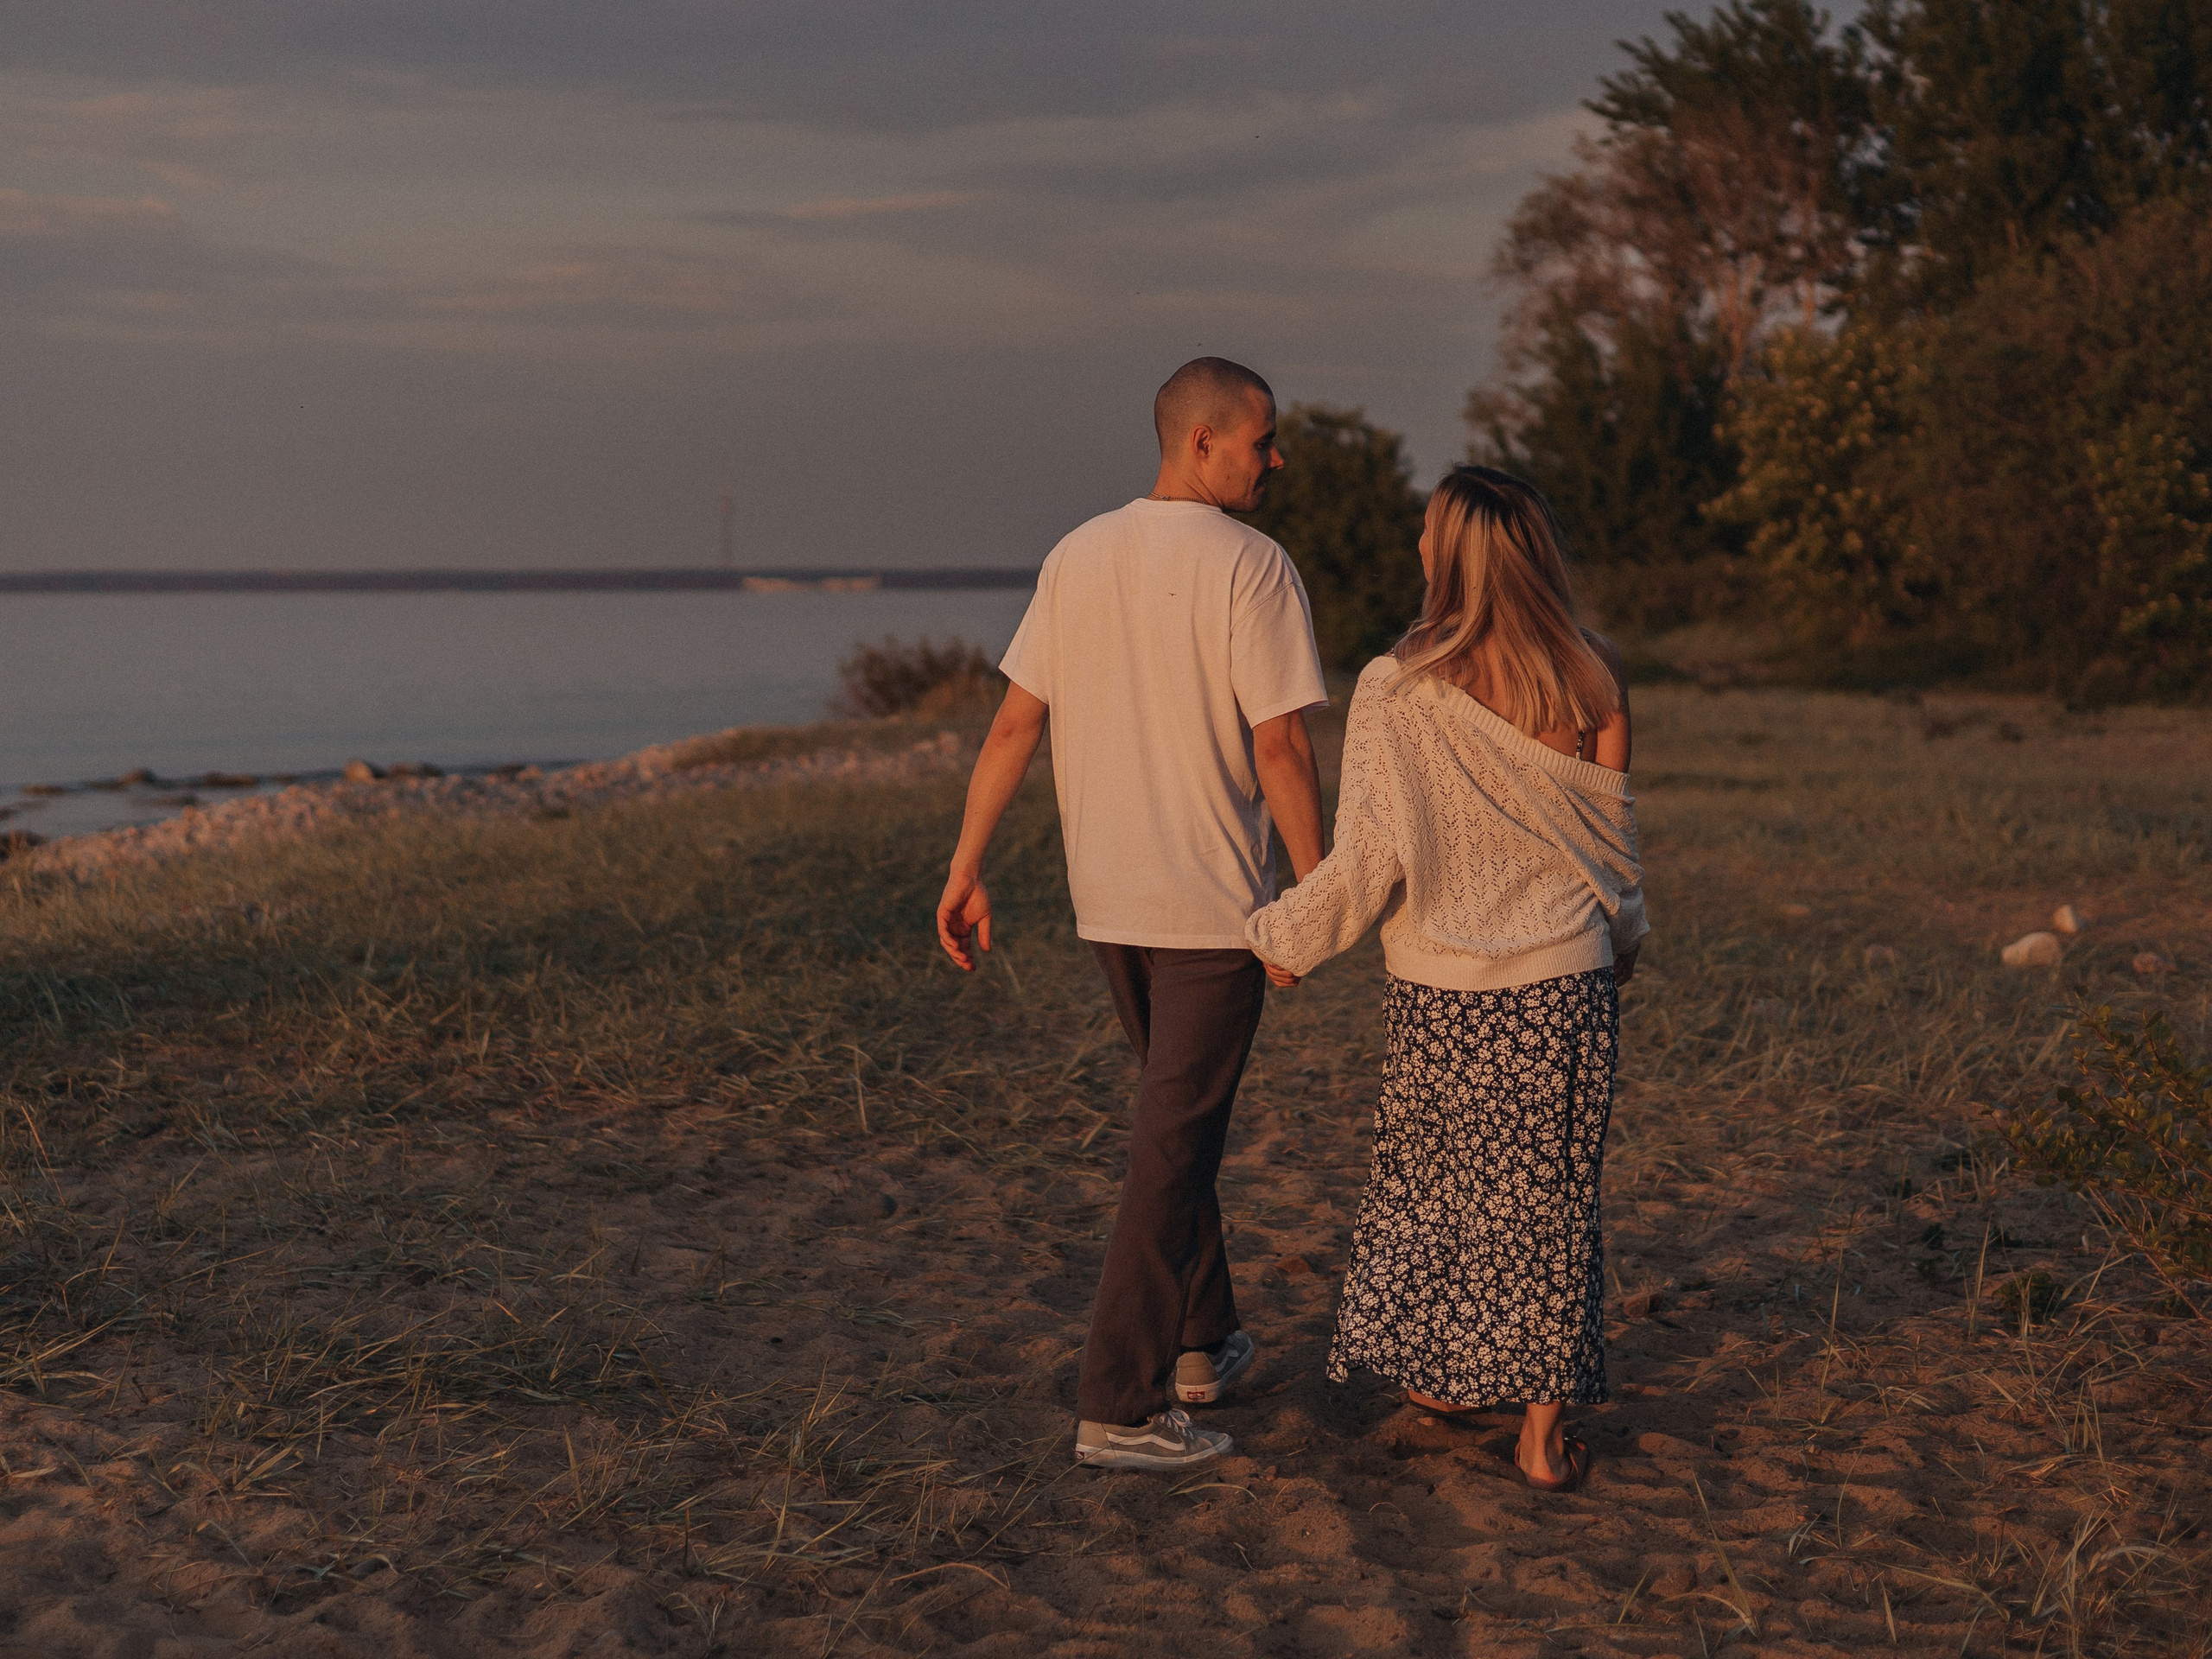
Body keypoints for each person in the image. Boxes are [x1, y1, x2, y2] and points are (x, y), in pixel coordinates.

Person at [934, 357, 1329, 1471]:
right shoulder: (1254, 566)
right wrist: (1316, 896)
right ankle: (1119, 1406)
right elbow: (1281, 744)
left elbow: (1016, 723)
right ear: (1201, 443)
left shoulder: (1078, 553)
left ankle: (1202, 1346)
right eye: (1261, 440)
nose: (1275, 459)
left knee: (1175, 1129)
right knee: (1172, 1148)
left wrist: (966, 866)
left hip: (1109, 901)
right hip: (1211, 911)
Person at [1246, 464, 1647, 1493]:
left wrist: (1284, 938)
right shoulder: (1594, 678)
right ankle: (1540, 1437)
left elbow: (1369, 855)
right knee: (1551, 1204)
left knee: (1438, 1190)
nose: (1418, 548)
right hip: (1565, 982)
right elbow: (1614, 851)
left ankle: (1441, 1377)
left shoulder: (1399, 686)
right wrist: (1625, 946)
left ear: (1456, 558)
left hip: (1441, 991)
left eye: (1428, 534)